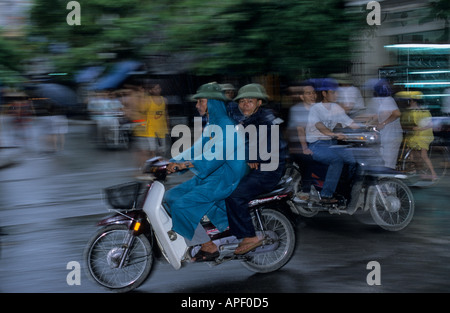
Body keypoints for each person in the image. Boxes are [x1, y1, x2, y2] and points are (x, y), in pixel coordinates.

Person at [164, 82, 248, 262]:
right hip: (211, 176)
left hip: (225, 178)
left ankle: (207, 246)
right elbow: (197, 148)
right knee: (171, 196)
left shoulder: (227, 126)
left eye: (201, 101)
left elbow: (215, 157)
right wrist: (173, 161)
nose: (197, 105)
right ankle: (201, 237)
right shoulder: (213, 124)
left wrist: (186, 165)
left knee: (181, 205)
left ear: (213, 103)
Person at [225, 83, 288, 255]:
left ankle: (249, 236)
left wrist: (254, 156)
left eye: (250, 101)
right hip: (257, 168)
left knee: (234, 194)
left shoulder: (265, 119)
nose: (245, 104)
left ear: (259, 103)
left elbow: (267, 142)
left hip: (268, 171)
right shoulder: (247, 119)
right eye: (242, 101)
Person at [306, 78, 360, 204]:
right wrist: (333, 134)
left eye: (337, 92)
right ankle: (326, 195)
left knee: (354, 159)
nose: (336, 95)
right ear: (324, 93)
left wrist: (367, 129)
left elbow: (350, 123)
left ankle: (345, 190)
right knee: (337, 161)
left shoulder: (336, 108)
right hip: (316, 145)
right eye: (333, 92)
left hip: (332, 144)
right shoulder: (316, 109)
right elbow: (319, 125)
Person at [398, 91, 437, 180]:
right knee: (411, 151)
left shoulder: (423, 111)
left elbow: (430, 124)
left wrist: (419, 129)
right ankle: (414, 169)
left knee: (423, 155)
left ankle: (433, 173)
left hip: (424, 135)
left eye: (411, 100)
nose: (410, 102)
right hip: (416, 134)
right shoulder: (413, 111)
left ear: (414, 101)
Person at [287, 80, 316, 201]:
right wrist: (304, 147)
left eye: (313, 93)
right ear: (302, 96)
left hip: (315, 140)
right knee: (307, 160)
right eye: (308, 93)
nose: (312, 95)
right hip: (298, 143)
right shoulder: (297, 109)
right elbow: (300, 130)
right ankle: (306, 190)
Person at [132, 80, 169, 167]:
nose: (158, 90)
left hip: (161, 128)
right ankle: (154, 167)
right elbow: (141, 111)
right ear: (151, 90)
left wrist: (167, 126)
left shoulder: (164, 100)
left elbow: (166, 114)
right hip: (150, 129)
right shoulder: (147, 100)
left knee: (162, 150)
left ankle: (159, 165)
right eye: (155, 88)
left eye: (159, 88)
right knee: (152, 150)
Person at [367, 79, 403, 169]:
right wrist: (369, 123)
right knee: (384, 162)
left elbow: (397, 113)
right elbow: (379, 115)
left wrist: (383, 123)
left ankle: (389, 181)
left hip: (392, 137)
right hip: (386, 137)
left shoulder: (388, 100)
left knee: (388, 164)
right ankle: (385, 181)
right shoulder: (382, 101)